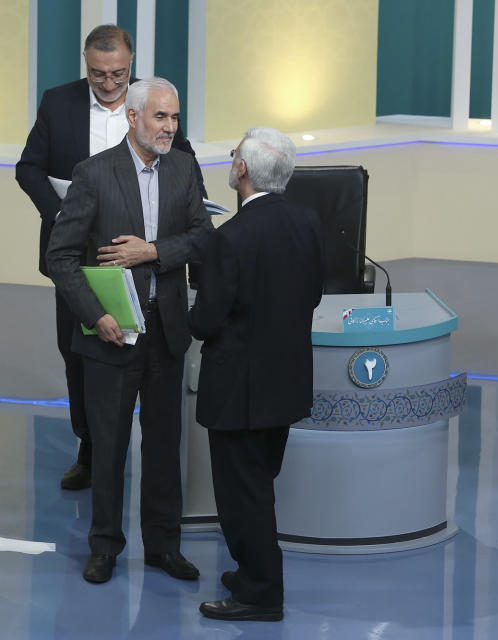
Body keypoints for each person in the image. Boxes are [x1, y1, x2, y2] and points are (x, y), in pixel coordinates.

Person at [16, 24, 206, 491]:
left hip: (140, 252)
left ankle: (133, 451)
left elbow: (183, 162)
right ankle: (91, 447)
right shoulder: (58, 102)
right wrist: (64, 212)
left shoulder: (153, 105)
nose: (108, 84)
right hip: (75, 252)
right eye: (98, 74)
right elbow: (28, 168)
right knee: (79, 351)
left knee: (144, 353)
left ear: (131, 64)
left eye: (118, 74)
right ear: (86, 65)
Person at [46, 78, 208, 584]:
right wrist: (96, 316)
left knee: (163, 448)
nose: (169, 127)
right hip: (112, 333)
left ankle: (163, 546)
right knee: (110, 446)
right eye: (160, 117)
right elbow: (60, 257)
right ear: (134, 118)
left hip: (167, 332)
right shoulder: (92, 175)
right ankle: (105, 548)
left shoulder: (184, 167)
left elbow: (203, 238)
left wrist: (154, 250)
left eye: (175, 118)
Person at [189, 127, 323, 621]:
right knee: (259, 484)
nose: (229, 158)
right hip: (284, 384)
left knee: (243, 497)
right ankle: (250, 573)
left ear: (242, 170)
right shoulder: (307, 222)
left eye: (233, 154)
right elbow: (312, 295)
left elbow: (205, 321)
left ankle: (260, 594)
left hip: (239, 392)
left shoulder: (231, 238)